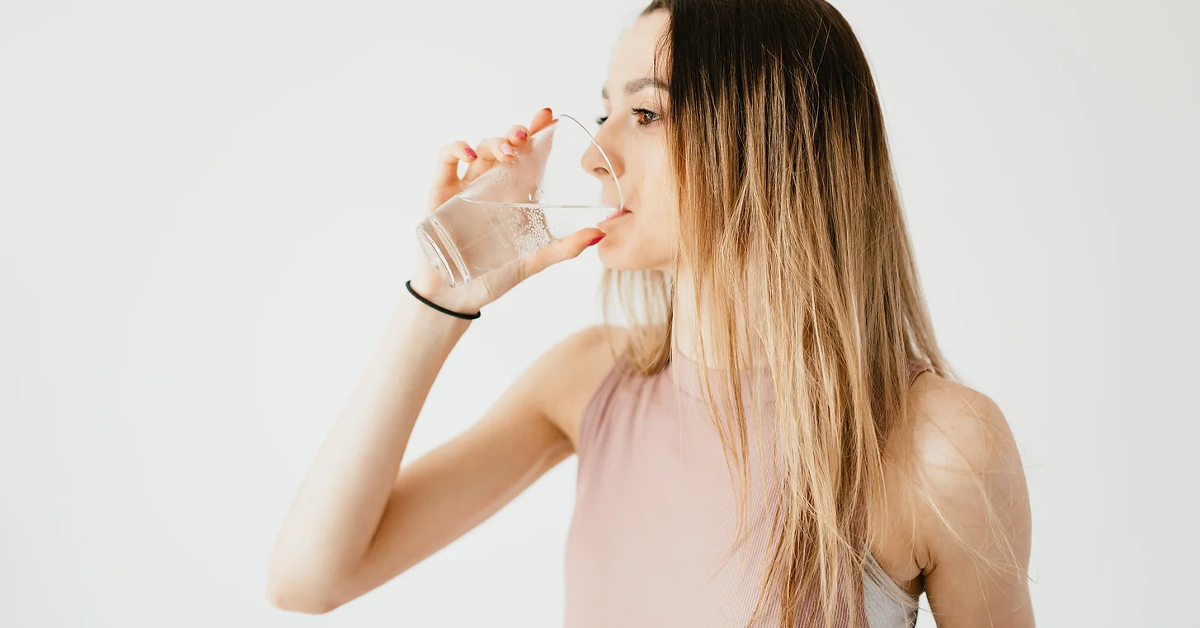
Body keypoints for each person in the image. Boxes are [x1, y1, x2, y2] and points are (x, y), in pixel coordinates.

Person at [266, 1, 1034, 627]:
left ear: (770, 136)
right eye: (606, 112)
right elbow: (309, 579)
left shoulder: (940, 445)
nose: (592, 155)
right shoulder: (591, 381)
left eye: (645, 114)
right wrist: (438, 294)